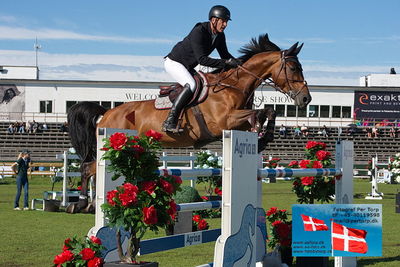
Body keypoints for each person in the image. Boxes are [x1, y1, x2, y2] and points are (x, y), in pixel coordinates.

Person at [162, 5, 240, 133]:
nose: (225, 24)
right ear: (214, 20)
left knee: (204, 85)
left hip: (187, 66)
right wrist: (226, 63)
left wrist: (240, 63)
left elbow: (225, 56)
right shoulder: (199, 31)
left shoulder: (220, 36)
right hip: (174, 62)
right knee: (191, 85)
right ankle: (170, 121)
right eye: (223, 21)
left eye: (226, 22)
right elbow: (202, 60)